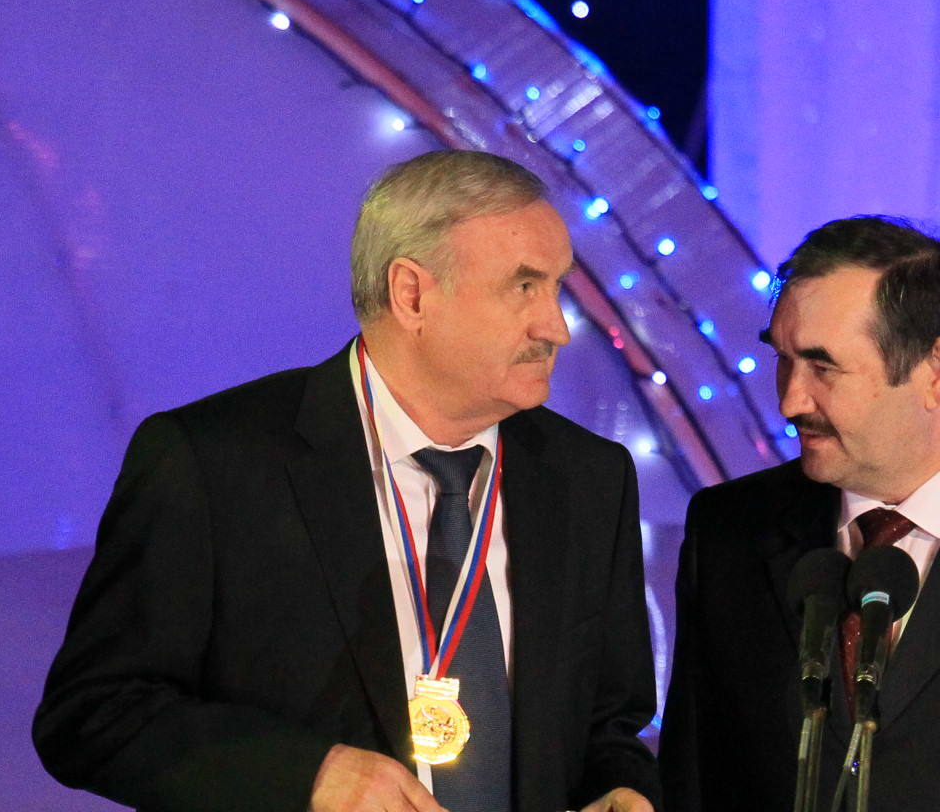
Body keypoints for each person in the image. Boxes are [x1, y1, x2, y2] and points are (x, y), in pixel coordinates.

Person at [33, 150, 661, 812]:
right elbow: (94, 713)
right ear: (412, 294)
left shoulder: (589, 477)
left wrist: (622, 789)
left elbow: (608, 722)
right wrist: (308, 776)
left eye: (557, 287)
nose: (556, 327)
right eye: (524, 287)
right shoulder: (213, 462)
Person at [660, 215, 940, 811]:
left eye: (823, 367)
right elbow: (694, 776)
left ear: (934, 374)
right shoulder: (730, 528)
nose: (789, 400)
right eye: (782, 359)